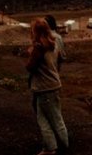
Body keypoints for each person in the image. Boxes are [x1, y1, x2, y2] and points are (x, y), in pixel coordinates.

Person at [26, 18, 69, 155]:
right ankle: (54, 145)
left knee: (48, 119)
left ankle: (54, 147)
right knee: (50, 117)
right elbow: (59, 60)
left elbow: (30, 67)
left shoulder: (39, 47)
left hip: (43, 87)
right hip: (54, 84)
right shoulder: (53, 43)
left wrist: (30, 52)